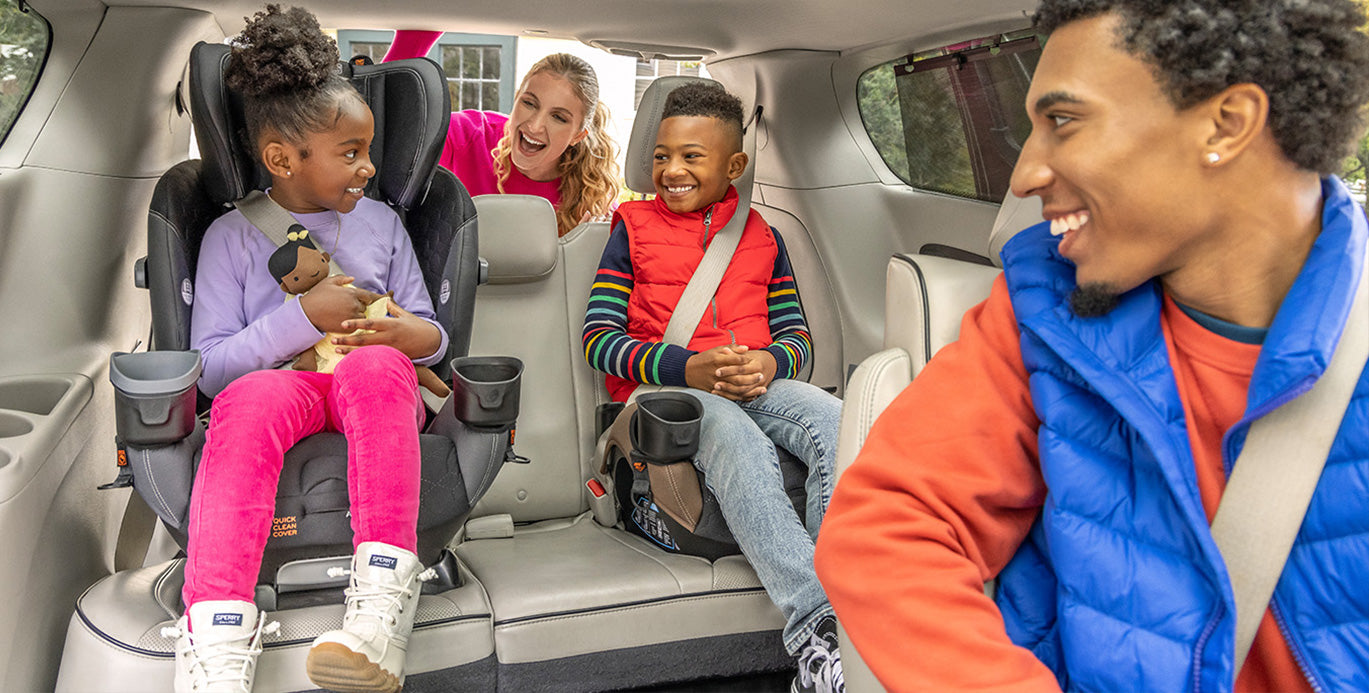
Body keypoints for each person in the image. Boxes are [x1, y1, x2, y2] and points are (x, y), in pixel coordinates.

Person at [813, 0, 1369, 691]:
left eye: (1062, 122)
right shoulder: (1040, 309)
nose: (1021, 176)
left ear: (1225, 124)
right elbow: (886, 526)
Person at [163, 6, 449, 692]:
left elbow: (433, 337)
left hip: (372, 383)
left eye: (370, 150)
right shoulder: (231, 237)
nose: (369, 168)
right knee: (250, 394)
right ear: (282, 159)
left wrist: (408, 335)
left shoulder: (382, 225)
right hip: (280, 386)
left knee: (380, 364)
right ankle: (217, 639)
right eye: (350, 154)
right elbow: (213, 370)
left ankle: (381, 611)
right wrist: (301, 317)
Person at [582, 82, 845, 693]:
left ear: (734, 166)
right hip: (661, 400)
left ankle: (850, 594)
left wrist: (773, 363)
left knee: (833, 418)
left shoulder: (763, 238)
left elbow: (796, 335)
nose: (671, 170)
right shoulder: (631, 226)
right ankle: (816, 627)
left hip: (750, 385)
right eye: (661, 156)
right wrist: (684, 369)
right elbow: (598, 340)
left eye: (692, 157)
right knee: (731, 434)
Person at [384, 34, 619, 236]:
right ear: (516, 97)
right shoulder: (468, 135)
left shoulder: (593, 197)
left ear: (578, 135)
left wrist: (586, 246)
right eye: (529, 103)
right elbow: (386, 126)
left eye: (558, 118)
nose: (535, 126)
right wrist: (417, 37)